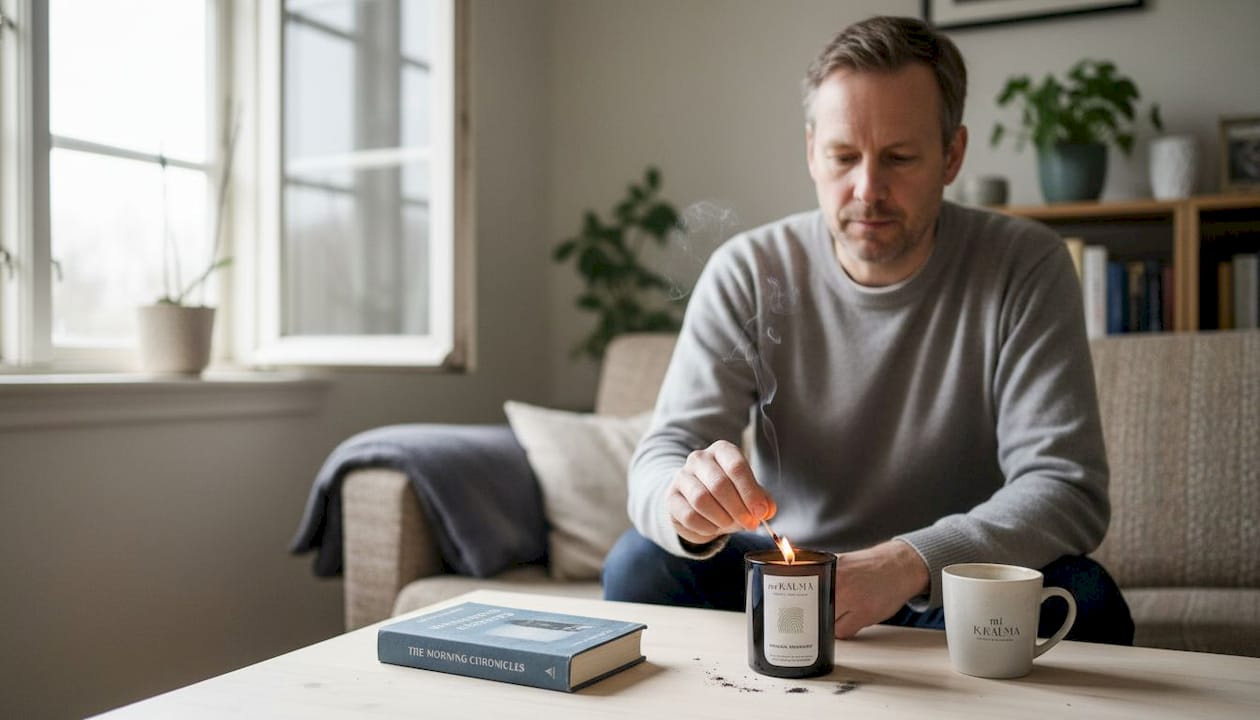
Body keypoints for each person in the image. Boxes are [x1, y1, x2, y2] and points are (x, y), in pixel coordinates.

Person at [602, 15, 1133, 645]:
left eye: (900, 158)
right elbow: (661, 457)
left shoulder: (1026, 266)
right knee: (639, 564)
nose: (868, 189)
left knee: (1087, 601)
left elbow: (1065, 485)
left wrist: (906, 563)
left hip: (948, 584)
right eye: (843, 156)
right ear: (810, 152)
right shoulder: (748, 270)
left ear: (952, 155)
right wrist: (686, 504)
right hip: (787, 578)